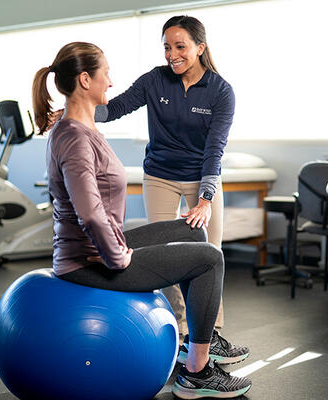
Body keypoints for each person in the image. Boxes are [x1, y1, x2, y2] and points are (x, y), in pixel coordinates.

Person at [32, 41, 251, 399]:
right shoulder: (74, 137)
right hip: (90, 262)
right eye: (106, 73)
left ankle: (202, 343)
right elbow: (88, 212)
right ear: (85, 80)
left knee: (195, 232)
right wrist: (118, 256)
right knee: (212, 258)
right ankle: (196, 371)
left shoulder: (78, 130)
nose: (111, 82)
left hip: (99, 250)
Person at [94, 15, 238, 358]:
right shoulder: (154, 80)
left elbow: (214, 150)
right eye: (167, 47)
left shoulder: (221, 92)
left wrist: (204, 200)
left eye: (180, 47)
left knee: (209, 256)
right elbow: (114, 109)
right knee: (166, 253)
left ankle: (210, 334)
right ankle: (179, 329)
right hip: (159, 176)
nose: (172, 54)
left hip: (200, 179)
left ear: (200, 48)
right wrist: (76, 109)